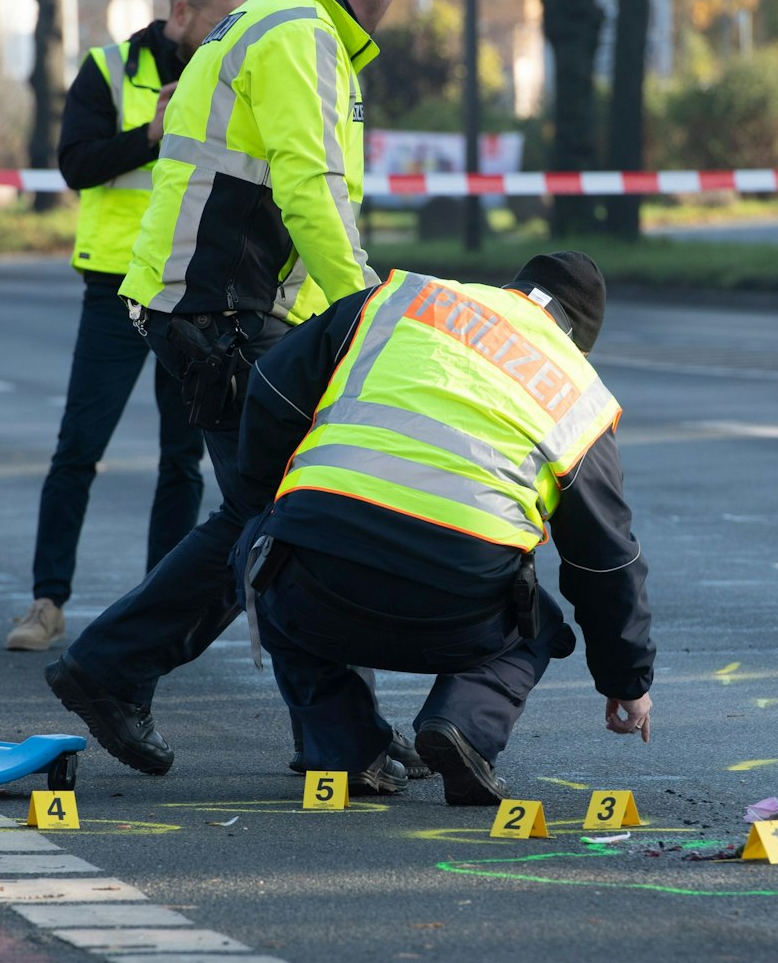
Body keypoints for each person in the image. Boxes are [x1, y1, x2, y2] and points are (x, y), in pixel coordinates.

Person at [43, 0, 412, 774]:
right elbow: (310, 187)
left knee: (284, 516)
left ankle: (335, 736)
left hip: (211, 304)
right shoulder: (301, 35)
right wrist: (365, 310)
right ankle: (113, 666)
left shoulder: (271, 18)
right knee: (280, 520)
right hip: (220, 309)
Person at [231, 252, 656, 800]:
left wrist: (277, 500)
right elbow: (603, 560)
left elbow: (270, 383)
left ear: (513, 290)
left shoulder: (404, 300)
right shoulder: (576, 389)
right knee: (537, 624)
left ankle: (344, 749)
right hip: (454, 604)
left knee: (258, 554)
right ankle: (464, 724)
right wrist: (628, 682)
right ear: (579, 340)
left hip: (315, 575)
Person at [6, 0, 260, 652]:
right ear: (182, 13)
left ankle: (159, 610)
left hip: (192, 296)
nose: (230, 36)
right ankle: (46, 602)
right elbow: (77, 164)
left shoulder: (236, 77)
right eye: (220, 22)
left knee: (181, 459)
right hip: (115, 288)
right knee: (78, 449)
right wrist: (152, 134)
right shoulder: (110, 69)